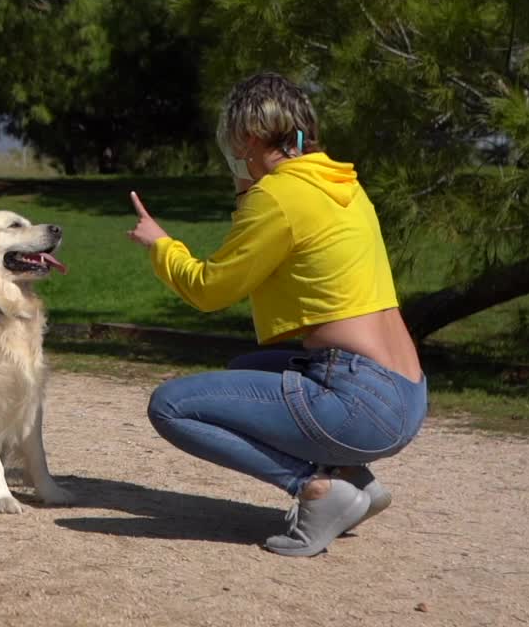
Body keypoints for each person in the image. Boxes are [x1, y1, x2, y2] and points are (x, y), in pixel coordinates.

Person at [126, 72, 428, 557]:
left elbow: (209, 289)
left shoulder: (278, 196)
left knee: (171, 406)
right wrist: (250, 193)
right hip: (407, 394)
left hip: (361, 404)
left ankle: (315, 487)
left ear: (246, 137)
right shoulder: (342, 184)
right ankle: (353, 480)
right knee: (241, 373)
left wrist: (160, 245)